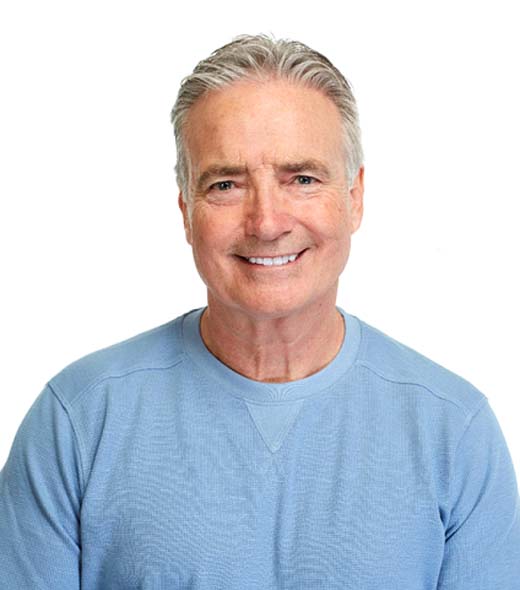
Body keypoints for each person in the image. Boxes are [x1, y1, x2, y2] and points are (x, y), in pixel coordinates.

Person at [1, 33, 519, 590]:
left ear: (355, 198)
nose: (267, 221)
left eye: (302, 179)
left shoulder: (455, 433)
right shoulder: (78, 422)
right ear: (186, 211)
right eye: (226, 184)